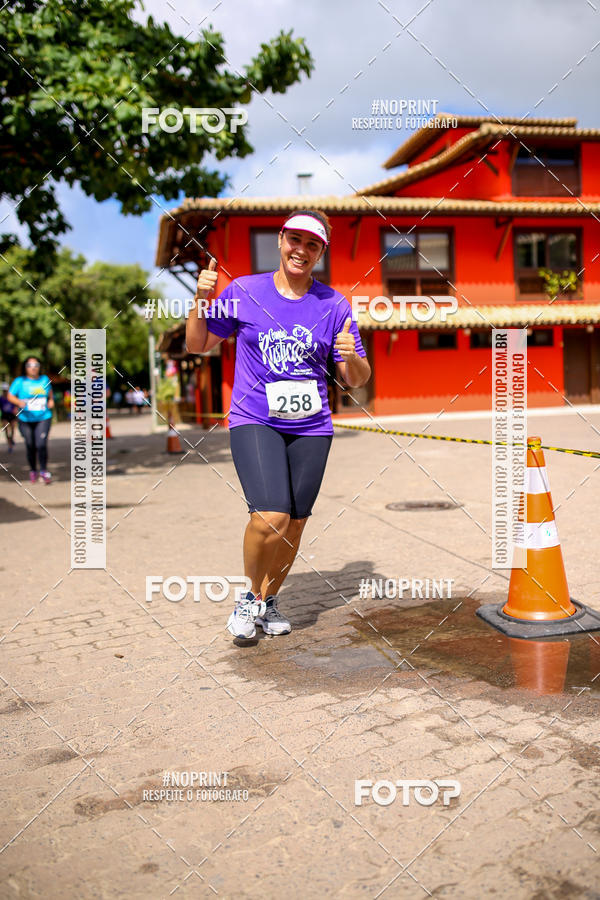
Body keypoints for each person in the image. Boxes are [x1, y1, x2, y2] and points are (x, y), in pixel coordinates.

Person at [185, 209, 371, 640]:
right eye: (295, 240)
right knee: (271, 516)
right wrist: (200, 299)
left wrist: (354, 356)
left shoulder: (334, 304)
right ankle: (248, 599)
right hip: (254, 419)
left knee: (296, 522)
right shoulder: (245, 291)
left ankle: (269, 603)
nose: (301, 250)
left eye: (312, 245)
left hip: (311, 427)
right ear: (280, 240)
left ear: (320, 252)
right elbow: (198, 345)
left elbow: (356, 379)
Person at [7, 356, 54, 483]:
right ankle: (33, 470)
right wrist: (19, 402)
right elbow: (10, 396)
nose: (33, 368)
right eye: (29, 365)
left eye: (36, 365)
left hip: (43, 417)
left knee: (41, 444)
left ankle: (44, 471)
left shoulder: (44, 380)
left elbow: (49, 394)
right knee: (30, 445)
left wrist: (51, 401)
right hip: (25, 418)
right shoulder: (19, 381)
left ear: (39, 367)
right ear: (25, 367)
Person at [0, 384, 17, 452]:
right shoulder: (1, 399)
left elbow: (16, 405)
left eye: (6, 390)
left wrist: (15, 410)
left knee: (12, 429)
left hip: (12, 415)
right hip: (5, 415)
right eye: (4, 390)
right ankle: (9, 445)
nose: (5, 392)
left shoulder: (11, 398)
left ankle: (11, 439)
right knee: (6, 429)